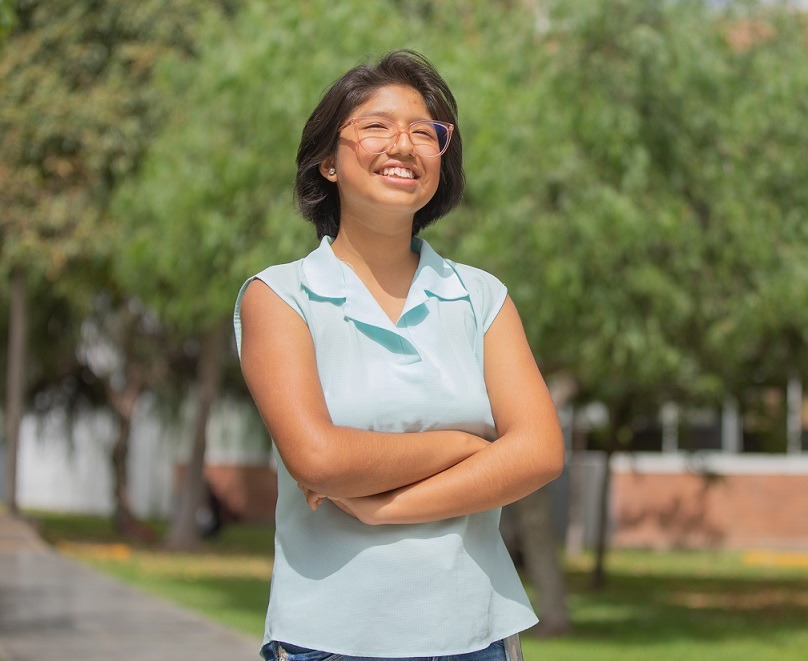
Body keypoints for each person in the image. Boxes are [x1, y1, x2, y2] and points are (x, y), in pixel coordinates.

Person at [234, 49, 564, 661]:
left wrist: (384, 509)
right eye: (377, 126)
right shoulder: (279, 297)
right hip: (328, 640)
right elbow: (318, 458)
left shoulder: (480, 297)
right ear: (328, 161)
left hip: (476, 636)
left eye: (424, 131)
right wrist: (466, 448)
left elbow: (539, 452)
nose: (404, 144)